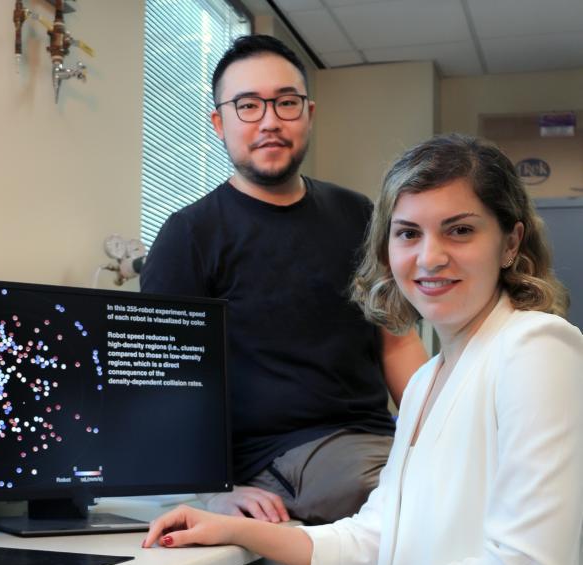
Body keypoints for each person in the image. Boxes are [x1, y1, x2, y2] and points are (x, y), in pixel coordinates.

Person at [141, 133, 583, 565]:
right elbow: (371, 537)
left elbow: (527, 564)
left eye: (460, 230)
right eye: (408, 233)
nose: (429, 257)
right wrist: (232, 530)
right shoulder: (426, 383)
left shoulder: (536, 348)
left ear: (510, 243)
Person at [140, 34, 427, 525]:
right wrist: (209, 493)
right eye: (247, 105)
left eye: (285, 103)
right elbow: (158, 385)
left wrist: (443, 428)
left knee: (479, 469)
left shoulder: (357, 213)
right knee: (407, 494)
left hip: (376, 439)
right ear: (219, 123)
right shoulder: (189, 234)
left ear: (308, 113)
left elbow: (397, 343)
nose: (270, 120)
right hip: (276, 458)